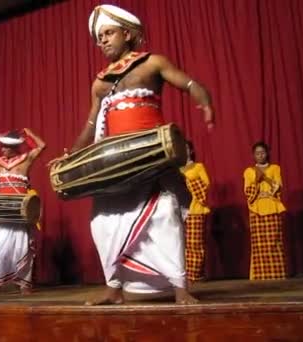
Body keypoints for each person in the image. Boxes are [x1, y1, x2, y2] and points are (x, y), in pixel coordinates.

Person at [50, 4, 214, 305]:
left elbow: (188, 83)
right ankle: (114, 287)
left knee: (164, 215)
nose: (103, 41)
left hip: (151, 159)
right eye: (99, 38)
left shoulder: (152, 64)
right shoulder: (100, 82)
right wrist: (70, 155)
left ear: (127, 34)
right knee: (102, 220)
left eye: (109, 33)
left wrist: (202, 98)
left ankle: (180, 288)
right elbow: (90, 125)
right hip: (116, 163)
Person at [0, 128, 45, 296]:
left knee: (21, 247)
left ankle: (24, 284)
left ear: (14, 147)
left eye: (5, 147)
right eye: (1, 147)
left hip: (19, 210)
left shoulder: (26, 158)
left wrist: (29, 134)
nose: (2, 150)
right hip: (2, 211)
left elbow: (42, 146)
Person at [243, 141, 287, 280]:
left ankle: (277, 275)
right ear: (253, 155)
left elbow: (278, 186)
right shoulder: (249, 171)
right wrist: (257, 182)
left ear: (267, 153)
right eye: (257, 153)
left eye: (262, 152)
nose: (260, 155)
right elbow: (247, 190)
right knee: (259, 245)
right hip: (256, 209)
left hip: (272, 207)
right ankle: (260, 276)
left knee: (275, 243)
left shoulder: (275, 168)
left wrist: (265, 178)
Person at [180, 140, 211, 284]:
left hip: (195, 209)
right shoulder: (176, 169)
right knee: (180, 244)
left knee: (195, 244)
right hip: (179, 212)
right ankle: (182, 276)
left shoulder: (198, 167)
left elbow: (205, 185)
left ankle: (194, 275)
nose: (184, 150)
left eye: (186, 148)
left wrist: (188, 182)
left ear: (191, 151)